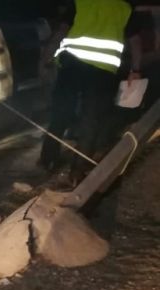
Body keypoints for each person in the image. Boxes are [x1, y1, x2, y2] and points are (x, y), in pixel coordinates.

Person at [39, 0, 139, 186]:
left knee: (60, 111)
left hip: (72, 66)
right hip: (103, 71)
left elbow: (62, 31)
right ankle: (77, 171)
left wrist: (47, 57)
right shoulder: (123, 8)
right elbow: (134, 41)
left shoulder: (80, 3)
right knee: (91, 119)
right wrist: (136, 69)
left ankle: (47, 159)